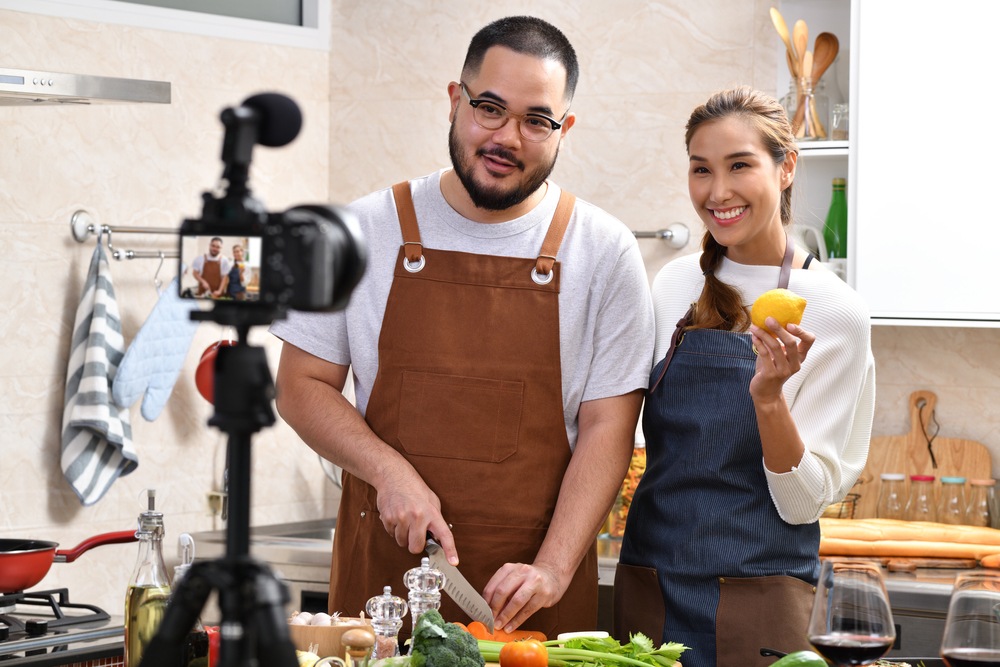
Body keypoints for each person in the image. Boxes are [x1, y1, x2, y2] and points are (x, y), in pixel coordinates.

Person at [270, 16, 653, 638]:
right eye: (490, 109)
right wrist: (387, 471)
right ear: (456, 101)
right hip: (382, 595)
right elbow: (301, 386)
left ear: (564, 130)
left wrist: (553, 569)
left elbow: (609, 424)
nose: (507, 136)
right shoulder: (358, 231)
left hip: (530, 598)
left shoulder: (604, 250)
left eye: (537, 119)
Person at [614, 87, 875, 667]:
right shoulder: (672, 287)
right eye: (701, 170)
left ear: (786, 168)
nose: (718, 191)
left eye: (740, 166)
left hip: (762, 596)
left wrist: (769, 400)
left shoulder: (834, 313)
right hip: (650, 586)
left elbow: (802, 504)